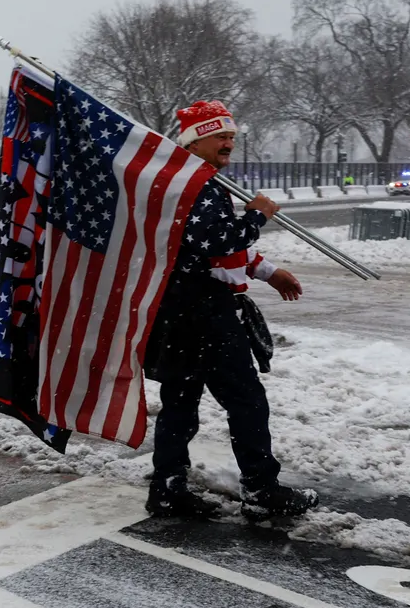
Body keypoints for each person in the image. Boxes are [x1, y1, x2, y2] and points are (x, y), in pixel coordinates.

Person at [144, 100, 319, 522]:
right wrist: (257, 216)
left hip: (184, 311)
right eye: (219, 136)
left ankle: (167, 488)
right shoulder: (195, 185)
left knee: (181, 403)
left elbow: (220, 251)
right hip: (201, 313)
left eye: (231, 136)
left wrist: (266, 271)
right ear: (195, 140)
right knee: (246, 402)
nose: (228, 143)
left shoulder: (190, 181)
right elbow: (216, 243)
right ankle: (260, 488)